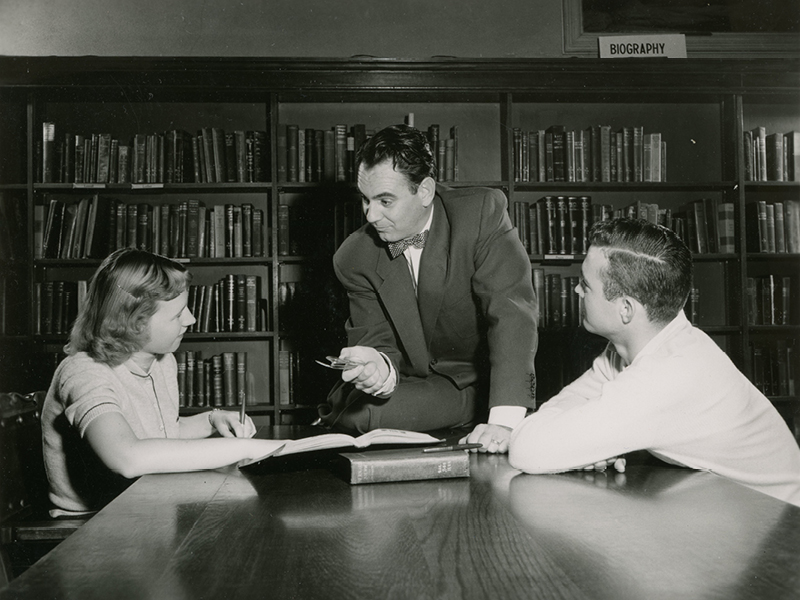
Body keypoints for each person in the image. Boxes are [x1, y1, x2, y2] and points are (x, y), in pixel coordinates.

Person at [509, 218, 800, 506]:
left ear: (626, 309)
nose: (577, 291)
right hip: (731, 508)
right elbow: (567, 404)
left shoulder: (667, 374)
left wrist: (574, 445)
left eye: (586, 285)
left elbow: (526, 448)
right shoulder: (639, 347)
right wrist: (581, 446)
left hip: (782, 529)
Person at [318, 124, 538, 452]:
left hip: (480, 379)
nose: (371, 215)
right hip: (414, 382)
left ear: (424, 191)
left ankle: (479, 409)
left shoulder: (480, 214)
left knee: (354, 416)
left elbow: (512, 315)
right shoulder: (354, 257)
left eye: (385, 201)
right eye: (365, 200)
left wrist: (503, 421)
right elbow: (377, 341)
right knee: (357, 415)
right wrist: (379, 366)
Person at [42, 248, 283, 516]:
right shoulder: (83, 372)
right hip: (91, 526)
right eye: (177, 314)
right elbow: (127, 457)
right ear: (134, 323)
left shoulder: (160, 362)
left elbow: (157, 434)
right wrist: (246, 447)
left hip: (147, 508)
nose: (191, 319)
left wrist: (211, 419)